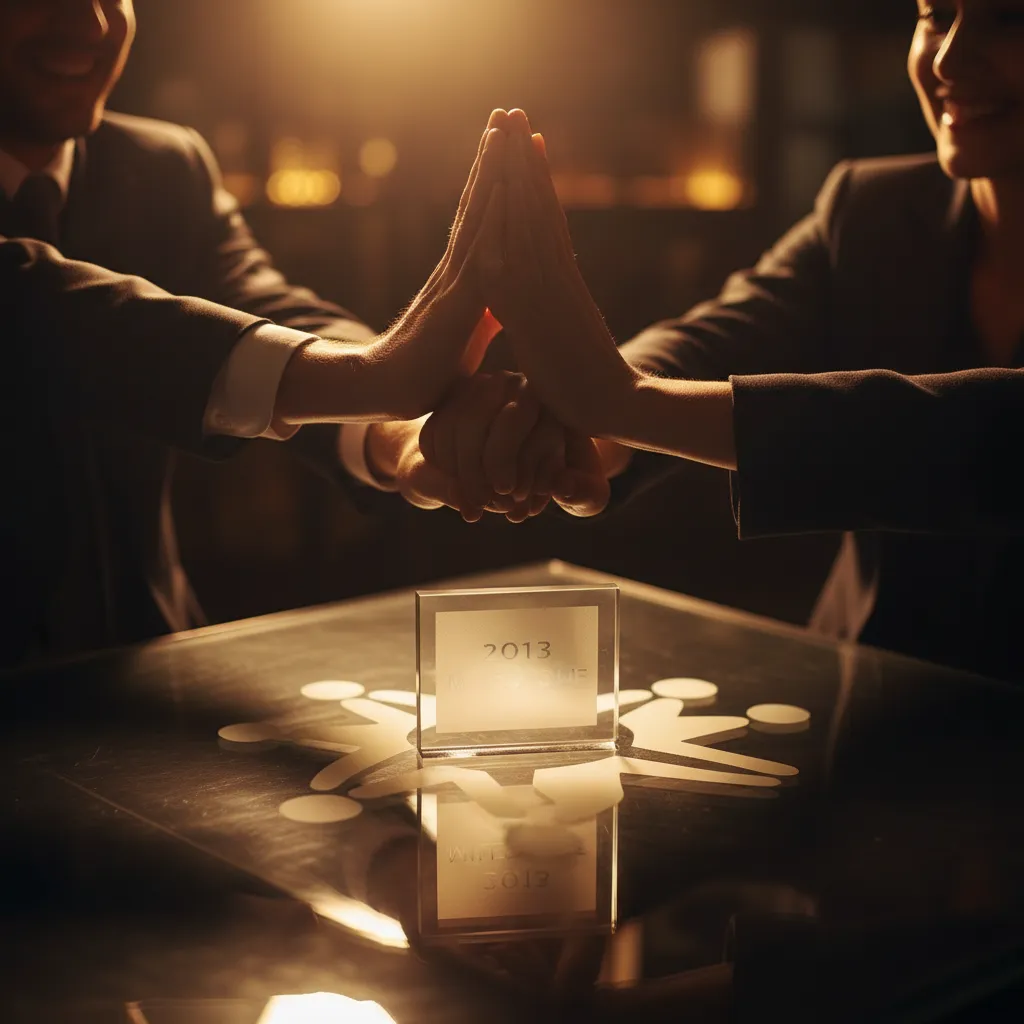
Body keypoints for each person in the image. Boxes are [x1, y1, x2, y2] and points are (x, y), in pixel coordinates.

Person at [403, 0, 1024, 682]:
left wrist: (618, 401)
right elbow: (716, 337)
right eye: (936, 14)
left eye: (1010, 18)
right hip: (866, 705)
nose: (946, 60)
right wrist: (577, 430)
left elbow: (979, 434)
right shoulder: (872, 208)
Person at [1, 0, 592, 663]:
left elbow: (267, 304)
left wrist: (400, 435)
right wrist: (379, 378)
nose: (90, 23)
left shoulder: (163, 166)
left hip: (148, 662)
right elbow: (40, 312)